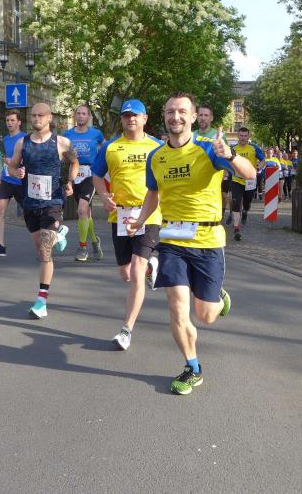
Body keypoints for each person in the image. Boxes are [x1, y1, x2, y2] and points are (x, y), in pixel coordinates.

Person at [126, 92, 256, 395]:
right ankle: (192, 367)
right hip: (172, 240)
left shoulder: (209, 149)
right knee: (177, 307)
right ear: (164, 115)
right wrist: (141, 219)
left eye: (182, 112)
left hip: (207, 240)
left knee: (206, 315)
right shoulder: (156, 157)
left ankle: (216, 296)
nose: (175, 117)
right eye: (170, 111)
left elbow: (250, 174)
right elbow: (153, 193)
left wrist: (230, 155)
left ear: (194, 117)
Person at [91, 99, 163, 351]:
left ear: (144, 119)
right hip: (120, 215)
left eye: (135, 115)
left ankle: (126, 329)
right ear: (121, 119)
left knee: (136, 271)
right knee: (126, 273)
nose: (131, 119)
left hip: (148, 213)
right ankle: (152, 266)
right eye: (126, 115)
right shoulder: (111, 147)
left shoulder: (157, 146)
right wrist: (103, 195)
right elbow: (96, 174)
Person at [8, 103, 78, 319]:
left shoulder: (62, 142)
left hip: (53, 201)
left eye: (41, 115)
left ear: (49, 118)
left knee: (46, 250)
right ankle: (59, 235)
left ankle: (41, 300)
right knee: (40, 249)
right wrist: (15, 172)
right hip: (30, 203)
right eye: (33, 115)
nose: (36, 118)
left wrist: (70, 181)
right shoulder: (22, 142)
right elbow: (12, 165)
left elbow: (75, 162)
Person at [63, 104, 105, 261]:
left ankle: (83, 248)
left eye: (83, 113)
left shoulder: (96, 134)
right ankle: (94, 241)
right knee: (86, 213)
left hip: (90, 175)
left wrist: (101, 167)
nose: (80, 116)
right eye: (78, 113)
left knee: (81, 210)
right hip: (74, 174)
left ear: (88, 117)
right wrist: (68, 156)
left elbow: (106, 150)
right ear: (75, 116)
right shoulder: (67, 134)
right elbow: (63, 157)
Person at [0, 110, 26, 257]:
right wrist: (1, 172)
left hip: (21, 182)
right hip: (7, 180)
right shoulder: (4, 139)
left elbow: (29, 159)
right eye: (7, 120)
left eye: (12, 120)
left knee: (31, 213)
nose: (9, 123)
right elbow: (4, 158)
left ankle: (46, 238)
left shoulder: (25, 139)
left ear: (19, 122)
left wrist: (16, 164)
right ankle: (0, 246)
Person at [229, 127, 265, 241]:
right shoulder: (233, 149)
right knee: (236, 203)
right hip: (236, 180)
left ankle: (245, 211)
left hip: (250, 181)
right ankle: (236, 229)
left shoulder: (254, 148)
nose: (243, 138)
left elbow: (263, 160)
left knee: (247, 202)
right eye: (241, 135)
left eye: (245, 136)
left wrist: (258, 168)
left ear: (249, 137)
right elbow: (227, 161)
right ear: (238, 136)